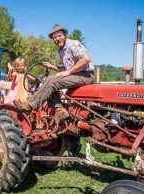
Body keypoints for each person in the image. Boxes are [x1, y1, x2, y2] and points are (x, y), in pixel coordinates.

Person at [14, 24, 95, 158]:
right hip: (76, 75)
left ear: (64, 35)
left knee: (51, 81)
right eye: (54, 37)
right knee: (51, 82)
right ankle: (59, 110)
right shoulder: (60, 51)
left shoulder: (73, 44)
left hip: (86, 75)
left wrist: (68, 72)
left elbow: (86, 59)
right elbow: (66, 68)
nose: (57, 38)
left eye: (59, 35)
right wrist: (53, 66)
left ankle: (30, 105)